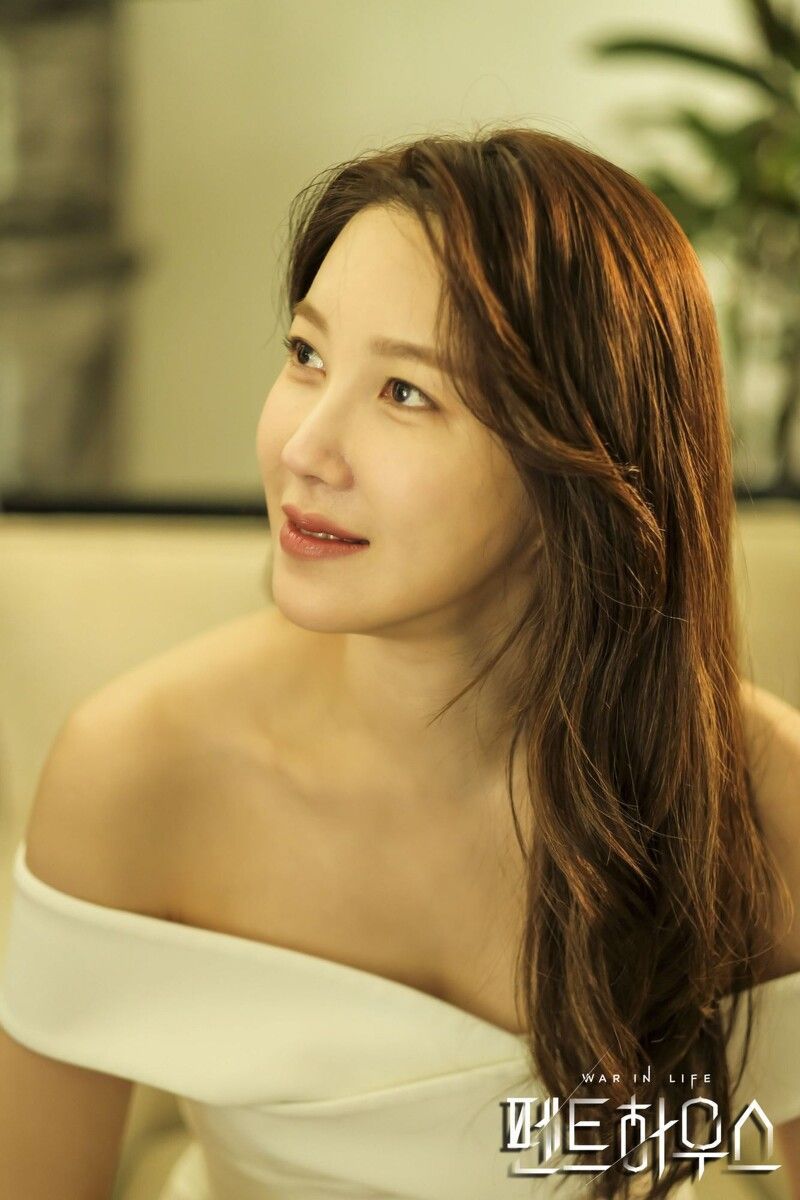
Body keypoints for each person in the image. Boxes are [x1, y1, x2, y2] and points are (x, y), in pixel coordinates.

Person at [0, 125, 798, 1200]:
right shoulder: (138, 768)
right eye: (306, 355)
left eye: (406, 393)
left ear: (585, 463)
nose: (303, 448)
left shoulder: (760, 797)